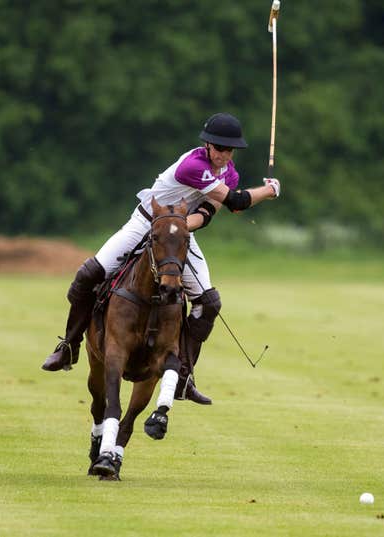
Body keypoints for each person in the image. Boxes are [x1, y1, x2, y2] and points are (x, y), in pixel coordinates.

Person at [41, 112, 281, 406]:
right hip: (143, 223)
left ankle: (184, 376)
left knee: (209, 302)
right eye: (218, 148)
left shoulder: (230, 175)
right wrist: (270, 190)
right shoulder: (192, 165)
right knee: (88, 275)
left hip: (178, 233)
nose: (223, 154)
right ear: (207, 145)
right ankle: (69, 346)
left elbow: (206, 215)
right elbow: (237, 201)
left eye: (229, 150)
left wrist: (176, 229)